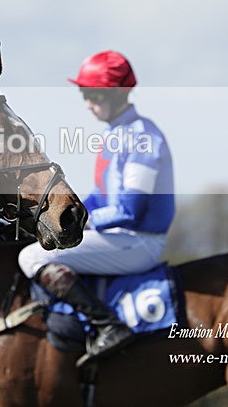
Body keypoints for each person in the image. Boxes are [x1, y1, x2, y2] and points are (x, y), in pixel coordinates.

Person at [18, 50, 175, 361]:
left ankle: (108, 326)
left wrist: (82, 221)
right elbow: (101, 197)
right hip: (119, 236)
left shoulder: (142, 137)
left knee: (31, 256)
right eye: (84, 94)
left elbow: (128, 211)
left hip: (137, 241)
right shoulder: (117, 133)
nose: (87, 103)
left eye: (94, 94)